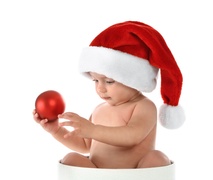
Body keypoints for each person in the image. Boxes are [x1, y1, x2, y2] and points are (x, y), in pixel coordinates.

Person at [33, 21, 185, 169]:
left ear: (132, 79)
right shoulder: (99, 110)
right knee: (70, 159)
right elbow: (85, 145)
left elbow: (132, 136)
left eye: (109, 81)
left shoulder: (143, 107)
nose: (100, 88)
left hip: (136, 178)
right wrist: (57, 131)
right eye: (95, 80)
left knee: (157, 158)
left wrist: (93, 130)